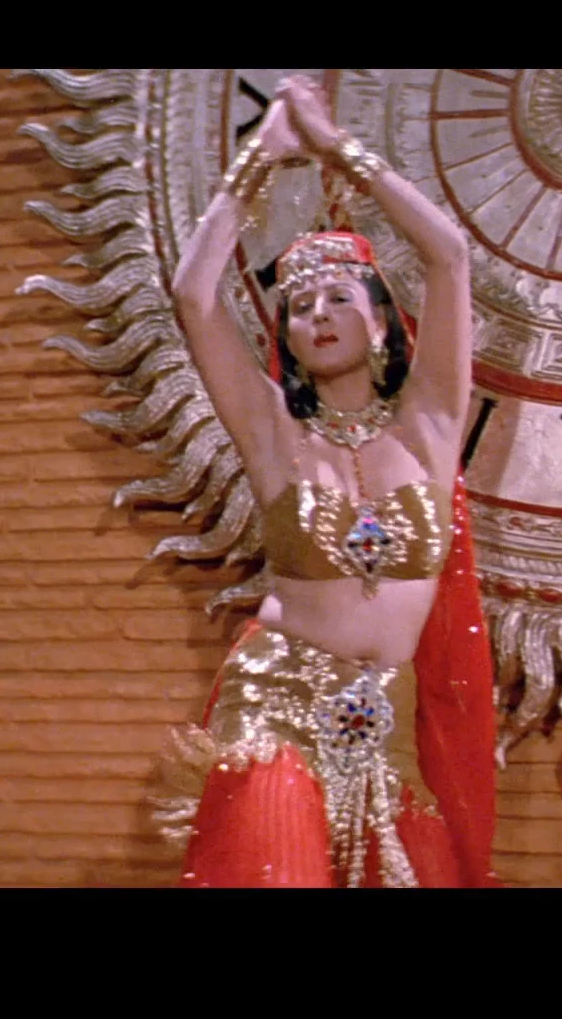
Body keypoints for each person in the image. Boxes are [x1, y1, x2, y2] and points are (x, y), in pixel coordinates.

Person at [155, 77, 501, 887]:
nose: (315, 313)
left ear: (379, 323)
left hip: (385, 725)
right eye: (299, 305)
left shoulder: (430, 426)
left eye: (338, 297)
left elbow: (449, 256)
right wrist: (259, 159)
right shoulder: (275, 432)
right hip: (276, 706)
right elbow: (193, 297)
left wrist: (336, 146)